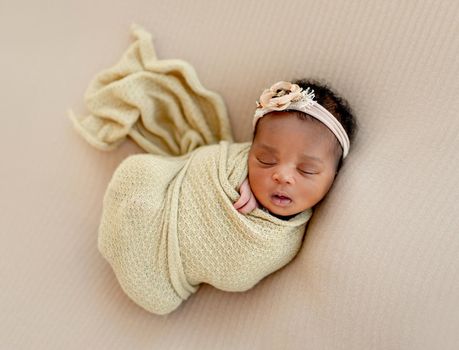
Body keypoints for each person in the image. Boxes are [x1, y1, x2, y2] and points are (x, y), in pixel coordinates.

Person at [233, 79, 357, 219]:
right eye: (266, 160)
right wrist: (236, 178)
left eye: (307, 169)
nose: (283, 177)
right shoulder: (230, 169)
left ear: (335, 174)